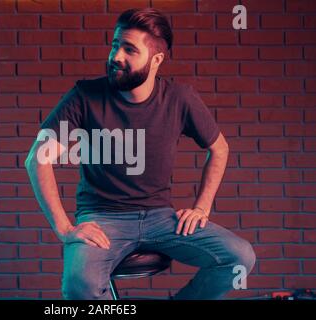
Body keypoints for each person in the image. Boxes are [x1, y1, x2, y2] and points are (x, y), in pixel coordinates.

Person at [25, 8, 256, 300]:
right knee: (77, 285)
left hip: (160, 217)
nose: (116, 56)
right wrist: (64, 228)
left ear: (156, 59)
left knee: (239, 257)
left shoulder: (180, 98)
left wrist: (202, 208)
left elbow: (219, 148)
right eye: (114, 45)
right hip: (102, 217)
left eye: (129, 49)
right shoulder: (85, 96)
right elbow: (38, 159)